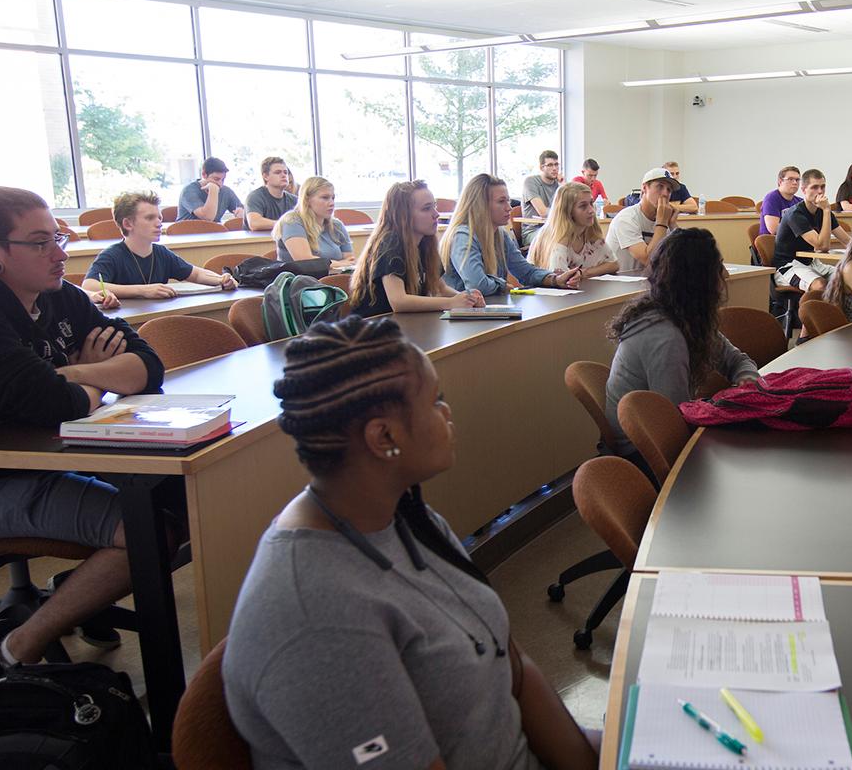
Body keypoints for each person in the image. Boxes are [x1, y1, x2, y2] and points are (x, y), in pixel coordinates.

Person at [224, 316, 598, 770]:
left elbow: (511, 667)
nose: (447, 412)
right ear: (384, 437)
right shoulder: (314, 617)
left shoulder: (404, 517)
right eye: (435, 400)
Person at [0, 185, 176, 671]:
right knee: (149, 528)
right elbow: (58, 406)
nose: (58, 254)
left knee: (180, 497)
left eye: (58, 238)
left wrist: (73, 373)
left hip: (46, 458)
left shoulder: (58, 296)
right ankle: (16, 648)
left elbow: (148, 366)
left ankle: (77, 593)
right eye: (39, 242)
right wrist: (84, 384)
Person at [605, 228, 759, 455]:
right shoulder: (665, 337)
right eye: (718, 268)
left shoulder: (681, 315)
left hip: (661, 434)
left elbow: (736, 359)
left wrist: (747, 379)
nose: (725, 275)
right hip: (646, 453)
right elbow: (676, 426)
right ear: (698, 280)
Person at [347, 180, 484, 318]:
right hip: (371, 329)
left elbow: (440, 288)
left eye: (434, 206)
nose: (436, 214)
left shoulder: (424, 242)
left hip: (402, 326)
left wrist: (467, 299)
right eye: (426, 208)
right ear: (404, 216)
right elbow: (398, 301)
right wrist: (451, 303)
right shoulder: (390, 243)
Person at [440, 174, 580, 296]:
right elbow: (478, 285)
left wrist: (555, 279)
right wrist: (502, 285)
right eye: (501, 201)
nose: (509, 207)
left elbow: (526, 272)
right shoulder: (463, 236)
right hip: (464, 319)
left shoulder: (500, 234)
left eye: (508, 200)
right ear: (480, 205)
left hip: (489, 312)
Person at [82, 191, 237, 299]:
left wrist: (221, 280)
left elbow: (195, 274)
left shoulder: (161, 253)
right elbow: (89, 285)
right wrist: (142, 291)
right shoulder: (112, 255)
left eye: (159, 218)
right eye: (150, 218)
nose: (159, 224)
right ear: (128, 224)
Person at [528, 181, 619, 279]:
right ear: (568, 211)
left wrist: (583, 273)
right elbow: (561, 279)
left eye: (591, 203)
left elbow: (613, 264)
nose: (591, 210)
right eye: (583, 206)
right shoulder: (557, 239)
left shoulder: (589, 233)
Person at [771, 169, 840, 293]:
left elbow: (848, 240)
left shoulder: (822, 211)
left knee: (850, 277)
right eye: (814, 187)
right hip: (789, 266)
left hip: (812, 263)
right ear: (803, 190)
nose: (820, 191)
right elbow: (822, 246)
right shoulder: (795, 214)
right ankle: (813, 312)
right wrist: (826, 211)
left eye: (822, 187)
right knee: (820, 285)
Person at [604, 168, 680, 273]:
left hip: (647, 284)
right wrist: (662, 223)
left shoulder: (664, 219)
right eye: (660, 186)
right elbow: (649, 260)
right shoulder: (626, 218)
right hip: (620, 285)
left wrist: (673, 225)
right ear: (644, 188)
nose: (665, 194)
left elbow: (682, 259)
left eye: (669, 190)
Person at [274, 176, 355, 266]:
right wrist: (340, 264)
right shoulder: (292, 221)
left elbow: (350, 260)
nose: (332, 203)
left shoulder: (337, 225)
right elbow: (305, 261)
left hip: (332, 277)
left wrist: (340, 264)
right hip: (301, 278)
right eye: (325, 198)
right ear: (307, 200)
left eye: (333, 198)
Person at [177, 157, 245, 223]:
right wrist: (213, 190)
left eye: (223, 180)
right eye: (216, 179)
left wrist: (241, 212)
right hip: (187, 232)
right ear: (204, 174)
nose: (220, 184)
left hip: (214, 232)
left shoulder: (226, 191)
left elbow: (245, 210)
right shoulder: (189, 191)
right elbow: (207, 217)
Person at [520, 150, 563, 246]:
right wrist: (565, 213)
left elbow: (571, 208)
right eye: (550, 165)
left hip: (554, 228)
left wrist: (563, 184)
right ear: (541, 167)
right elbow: (543, 212)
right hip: (533, 232)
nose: (555, 168)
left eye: (556, 165)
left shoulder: (559, 185)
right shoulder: (530, 182)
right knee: (560, 240)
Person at [246, 156, 298, 231]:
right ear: (265, 176)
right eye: (278, 172)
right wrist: (285, 223)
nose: (284, 175)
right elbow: (254, 223)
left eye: (285, 172)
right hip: (259, 241)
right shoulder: (255, 197)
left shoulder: (294, 200)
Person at [759, 166, 801, 235]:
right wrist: (801, 229)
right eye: (790, 179)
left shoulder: (799, 201)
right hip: (772, 242)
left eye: (797, 180)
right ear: (780, 181)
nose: (795, 183)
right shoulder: (771, 198)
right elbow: (774, 230)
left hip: (792, 241)